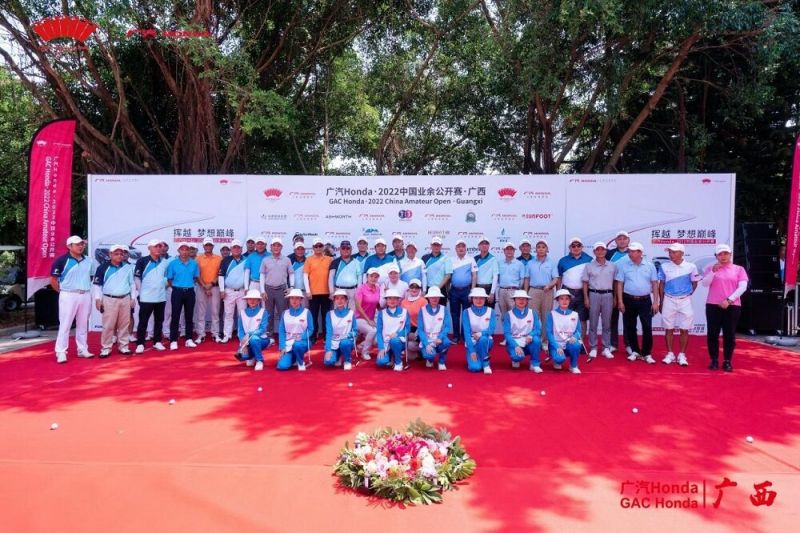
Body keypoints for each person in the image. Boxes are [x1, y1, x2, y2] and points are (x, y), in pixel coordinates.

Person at [702, 244, 749, 372]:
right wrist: (713, 272)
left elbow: (743, 287)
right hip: (713, 305)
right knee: (713, 334)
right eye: (720, 254)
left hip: (732, 306)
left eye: (726, 253)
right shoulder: (710, 268)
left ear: (730, 254)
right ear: (716, 256)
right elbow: (705, 283)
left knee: (729, 334)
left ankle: (727, 361)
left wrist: (729, 300)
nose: (723, 256)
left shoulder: (739, 269)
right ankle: (714, 360)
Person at [50, 235, 96, 363]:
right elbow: (53, 280)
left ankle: (82, 349)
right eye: (77, 244)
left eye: (82, 244)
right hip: (68, 295)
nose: (81, 246)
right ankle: (61, 352)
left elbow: (91, 277)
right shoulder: (62, 261)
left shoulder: (89, 261)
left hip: (85, 294)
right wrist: (63, 291)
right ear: (69, 246)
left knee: (83, 324)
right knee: (65, 324)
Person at [614, 242, 659, 364]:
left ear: (640, 253)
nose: (630, 253)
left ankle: (647, 353)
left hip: (645, 300)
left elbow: (655, 283)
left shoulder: (650, 266)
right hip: (628, 299)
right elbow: (619, 284)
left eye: (633, 251)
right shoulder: (624, 266)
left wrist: (656, 301)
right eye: (629, 251)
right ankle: (635, 351)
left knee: (647, 327)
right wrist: (620, 301)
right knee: (630, 326)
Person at [659, 242, 701, 366]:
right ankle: (670, 354)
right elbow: (662, 284)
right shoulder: (664, 266)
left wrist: (687, 295)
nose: (671, 254)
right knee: (668, 328)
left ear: (682, 253)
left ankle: (682, 355)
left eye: (674, 252)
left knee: (684, 329)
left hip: (685, 300)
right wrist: (661, 301)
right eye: (670, 252)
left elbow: (695, 283)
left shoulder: (691, 266)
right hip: (668, 299)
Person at [93, 244, 136, 357]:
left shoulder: (128, 267)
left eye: (121, 254)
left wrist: (133, 298)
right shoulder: (102, 267)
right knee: (108, 325)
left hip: (125, 298)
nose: (119, 256)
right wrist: (97, 299)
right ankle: (106, 348)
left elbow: (132, 284)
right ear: (110, 254)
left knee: (124, 324)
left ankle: (124, 346)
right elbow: (97, 285)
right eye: (116, 254)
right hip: (109, 299)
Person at [582, 241, 617, 359]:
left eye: (602, 249)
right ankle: (593, 347)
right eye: (598, 249)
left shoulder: (612, 266)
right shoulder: (589, 266)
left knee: (607, 323)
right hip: (594, 294)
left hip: (608, 295)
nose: (600, 251)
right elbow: (585, 283)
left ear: (606, 251)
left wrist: (615, 297)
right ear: (594, 252)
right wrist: (586, 298)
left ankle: (606, 347)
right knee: (593, 323)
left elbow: (616, 283)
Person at [523, 239, 560, 351]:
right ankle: (534, 340)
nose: (541, 249)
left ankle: (544, 341)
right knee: (533, 317)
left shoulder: (552, 262)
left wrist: (549, 285)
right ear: (535, 249)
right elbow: (526, 279)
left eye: (543, 247)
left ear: (547, 249)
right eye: (538, 247)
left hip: (547, 291)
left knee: (546, 317)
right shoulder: (530, 263)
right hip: (533, 291)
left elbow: (556, 278)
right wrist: (525, 293)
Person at [133, 239, 169, 354]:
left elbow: (166, 278)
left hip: (160, 297)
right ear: (149, 248)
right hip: (146, 298)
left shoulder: (164, 262)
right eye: (155, 246)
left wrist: (163, 285)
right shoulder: (142, 261)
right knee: (143, 321)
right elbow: (137, 278)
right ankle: (140, 343)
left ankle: (157, 341)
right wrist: (141, 292)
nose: (158, 248)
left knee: (159, 321)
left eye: (159, 246)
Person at [557, 237, 592, 347]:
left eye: (578, 245)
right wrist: (558, 293)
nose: (576, 248)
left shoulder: (589, 259)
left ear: (582, 247)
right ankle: (565, 343)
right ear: (570, 247)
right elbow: (559, 278)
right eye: (573, 245)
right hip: (567, 293)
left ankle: (580, 344)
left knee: (582, 319)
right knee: (566, 318)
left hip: (583, 293)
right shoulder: (563, 261)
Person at [166, 242, 200, 350]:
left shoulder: (194, 263)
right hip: (177, 292)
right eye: (182, 249)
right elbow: (169, 279)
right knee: (175, 315)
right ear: (178, 251)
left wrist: (187, 284)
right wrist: (177, 286)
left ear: (189, 251)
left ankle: (189, 339)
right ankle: (173, 340)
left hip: (190, 292)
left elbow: (195, 277)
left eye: (186, 249)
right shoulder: (173, 263)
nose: (184, 252)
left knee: (189, 316)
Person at [260, 238, 294, 338]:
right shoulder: (265, 260)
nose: (276, 247)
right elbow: (262, 275)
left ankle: (283, 335)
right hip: (268, 290)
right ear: (270, 247)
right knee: (268, 314)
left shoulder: (287, 260)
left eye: (278, 245)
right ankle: (269, 336)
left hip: (282, 290)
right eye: (274, 245)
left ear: (281, 247)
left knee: (283, 314)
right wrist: (262, 290)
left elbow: (291, 274)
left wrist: (291, 287)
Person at [503, 290, 543, 372]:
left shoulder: (533, 313)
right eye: (518, 298)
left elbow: (537, 329)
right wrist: (515, 346)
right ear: (514, 300)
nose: (521, 301)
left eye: (524, 299)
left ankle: (535, 364)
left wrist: (531, 335)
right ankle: (515, 358)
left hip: (528, 340)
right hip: (515, 341)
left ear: (527, 300)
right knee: (517, 357)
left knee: (536, 340)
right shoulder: (508, 314)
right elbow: (507, 334)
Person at [234, 289, 273, 372]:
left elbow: (262, 329)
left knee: (254, 339)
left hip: (261, 339)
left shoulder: (263, 312)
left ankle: (259, 360)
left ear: (259, 300)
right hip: (246, 341)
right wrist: (243, 343)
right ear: (247, 300)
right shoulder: (242, 313)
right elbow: (240, 330)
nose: (252, 301)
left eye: (255, 299)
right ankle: (253, 355)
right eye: (250, 299)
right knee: (241, 356)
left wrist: (249, 334)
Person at [546, 289, 583, 374]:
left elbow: (578, 331)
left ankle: (573, 366)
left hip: (569, 343)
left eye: (567, 299)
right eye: (561, 299)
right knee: (559, 359)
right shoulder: (551, 314)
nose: (564, 301)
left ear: (570, 300)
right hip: (556, 344)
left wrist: (575, 337)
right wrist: (556, 346)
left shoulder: (575, 314)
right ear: (557, 300)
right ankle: (557, 359)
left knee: (576, 344)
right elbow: (549, 333)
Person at [276, 288, 314, 371]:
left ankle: (301, 362)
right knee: (282, 366)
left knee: (297, 345)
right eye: (292, 298)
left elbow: (311, 329)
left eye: (297, 298)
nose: (294, 300)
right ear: (289, 299)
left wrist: (301, 337)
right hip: (288, 344)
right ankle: (294, 357)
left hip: (302, 342)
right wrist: (282, 347)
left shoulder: (307, 312)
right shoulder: (285, 313)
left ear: (301, 299)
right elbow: (281, 331)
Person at [496, 242, 526, 345]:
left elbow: (522, 279)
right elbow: (497, 277)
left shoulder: (519, 264)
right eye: (507, 249)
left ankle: (516, 337)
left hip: (514, 291)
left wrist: (517, 291)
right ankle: (507, 337)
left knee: (514, 315)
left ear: (514, 251)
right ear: (504, 251)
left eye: (511, 249)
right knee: (504, 316)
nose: (509, 251)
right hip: (502, 291)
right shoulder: (499, 263)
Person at [303, 237, 332, 342]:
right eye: (316, 246)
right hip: (313, 293)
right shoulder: (309, 259)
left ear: (323, 247)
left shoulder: (329, 259)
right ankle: (313, 336)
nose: (318, 248)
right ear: (313, 248)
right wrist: (308, 291)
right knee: (313, 316)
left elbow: (332, 275)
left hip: (327, 292)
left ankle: (326, 335)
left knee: (326, 316)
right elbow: (305, 276)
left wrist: (332, 291)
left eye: (320, 245)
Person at [449, 239, 478, 343]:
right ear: (456, 249)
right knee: (455, 314)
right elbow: (448, 276)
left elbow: (474, 276)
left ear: (466, 249)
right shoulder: (451, 260)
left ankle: (465, 336)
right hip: (454, 291)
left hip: (467, 291)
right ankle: (456, 336)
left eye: (463, 246)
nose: (461, 248)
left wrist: (472, 291)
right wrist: (448, 291)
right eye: (459, 247)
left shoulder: (471, 259)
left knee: (466, 315)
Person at [194, 237, 222, 343]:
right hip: (201, 287)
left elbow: (220, 274)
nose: (208, 247)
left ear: (213, 246)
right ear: (203, 246)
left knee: (215, 311)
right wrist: (204, 286)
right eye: (206, 245)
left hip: (214, 287)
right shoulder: (198, 258)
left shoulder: (219, 258)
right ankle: (201, 334)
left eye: (210, 245)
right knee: (200, 312)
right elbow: (196, 274)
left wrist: (211, 284)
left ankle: (215, 334)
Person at [607, 230, 631, 353]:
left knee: (628, 318)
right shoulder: (609, 254)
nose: (622, 241)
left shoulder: (633, 252)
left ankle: (629, 344)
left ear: (628, 240)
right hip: (612, 288)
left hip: (628, 289)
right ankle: (613, 344)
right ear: (615, 241)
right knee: (613, 318)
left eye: (624, 238)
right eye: (619, 239)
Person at [417, 286, 452, 370]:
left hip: (439, 338)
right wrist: (426, 343)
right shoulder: (422, 310)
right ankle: (430, 359)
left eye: (437, 297)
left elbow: (447, 326)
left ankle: (441, 361)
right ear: (428, 298)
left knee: (446, 342)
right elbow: (420, 330)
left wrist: (440, 337)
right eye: (432, 297)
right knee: (429, 355)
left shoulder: (444, 309)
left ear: (439, 298)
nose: (434, 299)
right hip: (427, 338)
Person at [218, 239, 246, 343]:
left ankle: (241, 335)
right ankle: (227, 335)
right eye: (234, 247)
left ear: (241, 249)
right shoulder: (226, 260)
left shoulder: (246, 260)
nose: (236, 249)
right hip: (229, 291)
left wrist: (247, 288)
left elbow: (248, 275)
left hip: (242, 291)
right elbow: (221, 276)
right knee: (228, 314)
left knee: (242, 314)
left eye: (238, 247)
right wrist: (222, 290)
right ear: (231, 249)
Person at [463, 287, 496, 374]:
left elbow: (491, 329)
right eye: (476, 298)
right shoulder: (466, 312)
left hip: (486, 340)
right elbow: (466, 333)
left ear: (485, 299)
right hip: (472, 342)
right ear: (472, 299)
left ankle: (486, 364)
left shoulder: (491, 311)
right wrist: (472, 351)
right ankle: (480, 356)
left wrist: (481, 333)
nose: (479, 300)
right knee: (475, 368)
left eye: (481, 298)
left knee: (483, 339)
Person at [375, 288, 410, 371]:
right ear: (386, 300)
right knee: (381, 362)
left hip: (399, 341)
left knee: (394, 341)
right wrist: (381, 348)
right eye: (389, 298)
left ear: (398, 300)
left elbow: (407, 329)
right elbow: (379, 332)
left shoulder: (405, 312)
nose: (392, 301)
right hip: (386, 343)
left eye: (395, 298)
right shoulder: (381, 313)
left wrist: (397, 334)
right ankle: (391, 355)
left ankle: (398, 362)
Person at [324, 289, 357, 370]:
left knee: (345, 343)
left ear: (346, 300)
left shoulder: (351, 313)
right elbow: (328, 333)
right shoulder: (329, 314)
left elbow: (355, 331)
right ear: (334, 300)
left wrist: (348, 335)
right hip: (334, 343)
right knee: (328, 362)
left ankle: (347, 360)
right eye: (337, 298)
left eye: (342, 298)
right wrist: (328, 350)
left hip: (346, 342)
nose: (340, 301)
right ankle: (338, 355)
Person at [355, 267, 382, 360]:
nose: (373, 278)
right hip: (359, 319)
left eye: (376, 277)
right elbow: (358, 307)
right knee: (373, 331)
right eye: (371, 276)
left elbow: (378, 305)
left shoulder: (378, 289)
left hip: (370, 319)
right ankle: (365, 352)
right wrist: (368, 320)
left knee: (376, 340)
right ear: (367, 277)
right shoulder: (361, 288)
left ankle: (361, 346)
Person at [328, 240, 362, 308]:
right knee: (339, 311)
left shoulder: (357, 262)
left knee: (352, 312)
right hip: (339, 290)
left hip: (353, 291)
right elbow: (331, 277)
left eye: (347, 248)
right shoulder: (335, 262)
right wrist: (331, 292)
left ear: (351, 249)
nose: (345, 250)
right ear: (340, 249)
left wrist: (358, 292)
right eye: (343, 248)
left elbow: (359, 278)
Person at [401, 279, 427, 355]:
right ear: (409, 289)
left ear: (420, 289)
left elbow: (426, 320)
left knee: (410, 345)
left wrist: (417, 332)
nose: (414, 290)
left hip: (420, 329)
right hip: (407, 328)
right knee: (410, 356)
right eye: (412, 287)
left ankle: (422, 351)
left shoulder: (423, 301)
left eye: (416, 288)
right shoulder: (403, 302)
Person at [422, 236, 452, 303]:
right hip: (428, 289)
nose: (436, 247)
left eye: (438, 245)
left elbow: (448, 275)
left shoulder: (446, 258)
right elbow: (423, 274)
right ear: (431, 245)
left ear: (441, 246)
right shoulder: (424, 258)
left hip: (441, 289)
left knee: (442, 308)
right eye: (434, 245)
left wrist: (437, 288)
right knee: (427, 308)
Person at [474, 237, 499, 306]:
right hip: (477, 288)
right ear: (478, 246)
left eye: (486, 244)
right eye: (482, 244)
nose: (484, 245)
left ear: (489, 246)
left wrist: (492, 292)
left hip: (489, 289)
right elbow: (473, 276)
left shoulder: (493, 259)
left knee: (489, 311)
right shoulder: (475, 259)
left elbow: (495, 276)